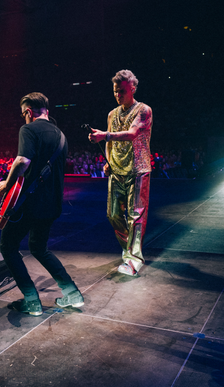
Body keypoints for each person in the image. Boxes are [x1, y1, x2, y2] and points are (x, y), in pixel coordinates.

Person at [0, 92, 83, 316]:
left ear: (28, 111)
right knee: (39, 248)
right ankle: (72, 294)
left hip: (30, 203)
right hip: (52, 204)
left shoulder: (28, 129)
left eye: (23, 114)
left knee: (8, 247)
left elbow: (23, 161)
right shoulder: (61, 135)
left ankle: (31, 301)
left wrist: (6, 184)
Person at [89, 70, 153, 277]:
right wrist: (107, 160)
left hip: (138, 169)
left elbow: (133, 134)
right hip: (116, 170)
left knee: (136, 216)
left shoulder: (144, 110)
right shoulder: (112, 114)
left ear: (133, 88)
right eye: (116, 91)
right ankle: (129, 249)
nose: (118, 95)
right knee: (113, 214)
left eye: (122, 91)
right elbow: (109, 143)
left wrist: (104, 136)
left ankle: (134, 259)